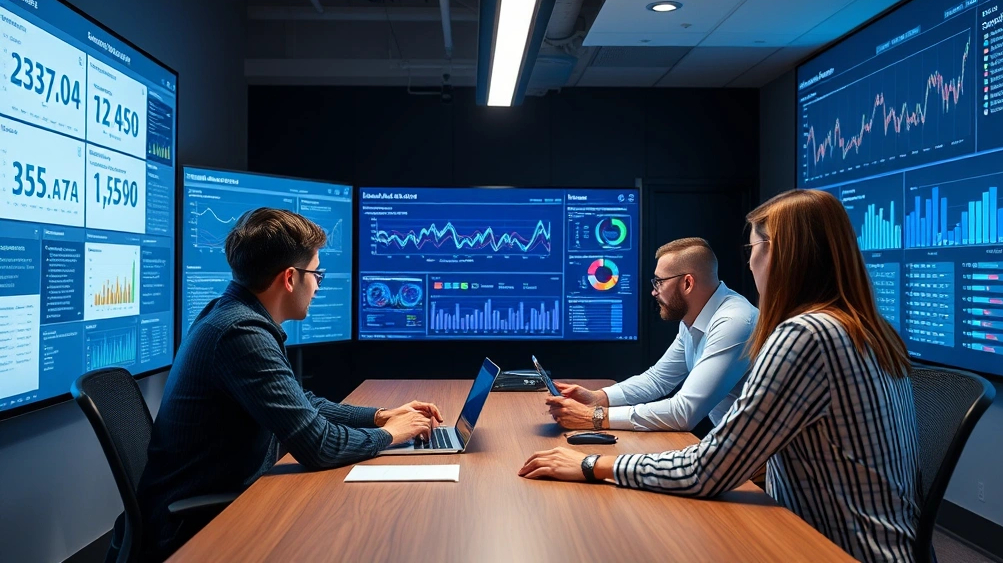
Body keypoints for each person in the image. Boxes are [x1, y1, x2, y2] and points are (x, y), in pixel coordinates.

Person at [520, 190, 921, 562]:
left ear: (785, 254)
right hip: (867, 541)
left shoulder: (804, 334)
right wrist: (599, 400)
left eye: (753, 247)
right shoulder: (868, 328)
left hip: (835, 549)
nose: (748, 261)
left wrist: (592, 464)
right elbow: (660, 380)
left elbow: (708, 469)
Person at [134, 208, 442, 560]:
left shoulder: (233, 315)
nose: (318, 286)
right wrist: (392, 434)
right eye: (317, 274)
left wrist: (381, 416)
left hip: (220, 504)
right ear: (290, 278)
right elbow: (319, 446)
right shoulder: (240, 334)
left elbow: (301, 402)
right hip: (196, 531)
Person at [546, 238, 757, 433]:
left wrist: (594, 416)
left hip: (757, 466)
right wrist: (598, 398)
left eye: (659, 282)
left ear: (687, 283)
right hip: (737, 451)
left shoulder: (734, 322)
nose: (654, 292)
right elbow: (658, 380)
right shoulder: (696, 315)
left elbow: (684, 413)